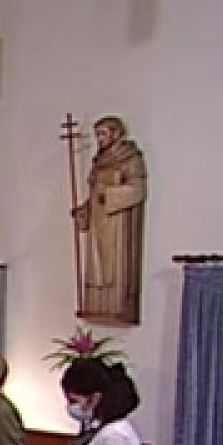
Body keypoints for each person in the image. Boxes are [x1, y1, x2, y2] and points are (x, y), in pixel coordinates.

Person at [72, 116, 147, 322]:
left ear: (116, 133)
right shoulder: (99, 162)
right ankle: (96, 305)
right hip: (98, 222)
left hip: (117, 224)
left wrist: (111, 195)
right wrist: (84, 210)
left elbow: (137, 190)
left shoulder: (130, 158)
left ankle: (117, 305)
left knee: (112, 266)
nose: (100, 139)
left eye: (103, 133)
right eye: (97, 134)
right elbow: (94, 193)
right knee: (96, 267)